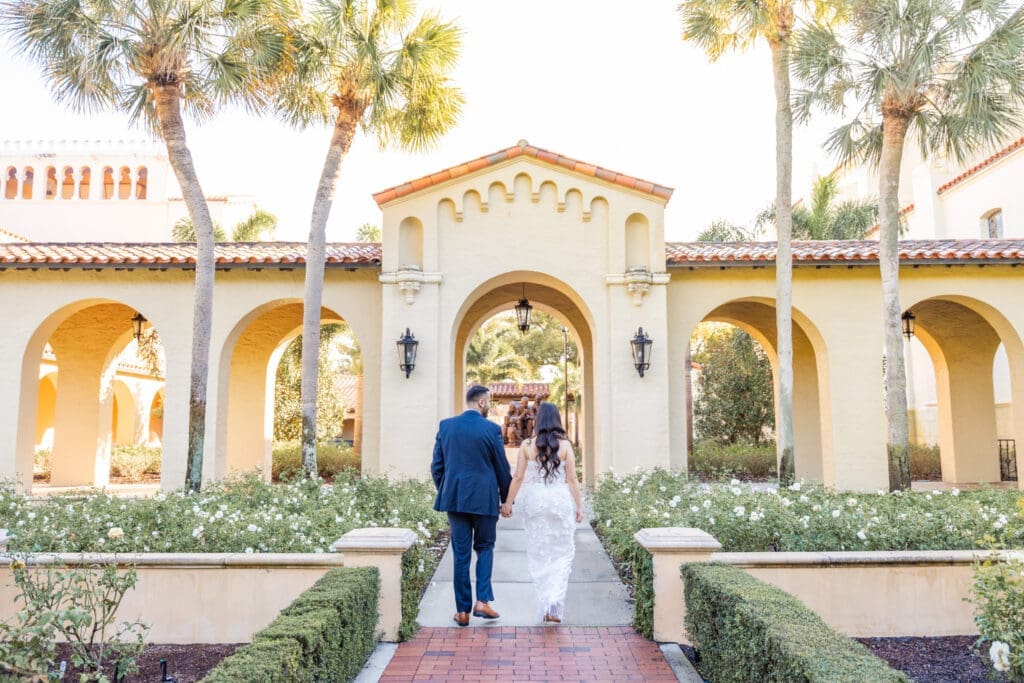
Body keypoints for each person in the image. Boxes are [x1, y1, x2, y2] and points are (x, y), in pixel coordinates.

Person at [431, 384, 512, 626]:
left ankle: (463, 611)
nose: (489, 406)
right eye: (489, 402)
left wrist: (447, 490)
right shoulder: (491, 429)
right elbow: (502, 468)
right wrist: (507, 499)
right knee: (485, 547)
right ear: (481, 403)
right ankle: (483, 602)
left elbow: (437, 467)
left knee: (461, 553)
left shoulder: (446, 426)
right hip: (484, 499)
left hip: (455, 500)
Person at [501, 402, 583, 623]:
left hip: (536, 502)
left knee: (539, 553)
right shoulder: (565, 446)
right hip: (558, 501)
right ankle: (554, 607)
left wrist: (508, 502)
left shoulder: (527, 445)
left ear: (538, 419)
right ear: (557, 419)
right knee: (562, 553)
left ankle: (546, 602)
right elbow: (572, 480)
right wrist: (579, 506)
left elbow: (517, 477)